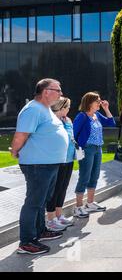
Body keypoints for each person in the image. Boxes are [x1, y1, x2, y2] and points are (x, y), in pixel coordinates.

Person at [11, 78, 68, 255]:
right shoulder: (33, 109)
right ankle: (26, 242)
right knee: (34, 202)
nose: (61, 94)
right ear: (45, 91)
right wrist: (15, 151)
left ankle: (40, 231)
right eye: (57, 90)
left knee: (41, 201)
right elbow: (21, 135)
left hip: (48, 163)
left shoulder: (46, 110)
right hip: (38, 165)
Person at [73, 92, 115, 218]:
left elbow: (111, 123)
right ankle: (78, 206)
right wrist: (79, 149)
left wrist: (106, 109)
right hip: (87, 149)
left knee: (95, 175)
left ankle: (90, 203)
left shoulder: (96, 115)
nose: (99, 103)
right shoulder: (82, 116)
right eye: (97, 101)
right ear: (89, 102)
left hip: (98, 149)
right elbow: (74, 134)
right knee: (84, 176)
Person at [46, 97, 76, 232]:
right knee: (55, 189)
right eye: (67, 107)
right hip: (57, 159)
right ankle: (51, 219)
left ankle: (59, 215)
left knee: (63, 188)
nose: (69, 109)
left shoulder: (67, 120)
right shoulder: (52, 121)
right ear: (61, 107)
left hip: (69, 159)